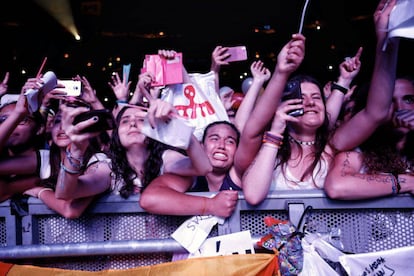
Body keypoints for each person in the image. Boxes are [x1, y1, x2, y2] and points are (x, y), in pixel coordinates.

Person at [239, 0, 400, 205]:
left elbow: (376, 113)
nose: (311, 102)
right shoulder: (267, 148)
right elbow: (253, 195)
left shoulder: (332, 146)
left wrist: (386, 43)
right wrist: (276, 132)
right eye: (302, 98)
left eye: (316, 97)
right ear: (285, 109)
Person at [324, 76, 414, 200]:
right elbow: (336, 186)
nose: (400, 108)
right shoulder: (358, 153)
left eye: (409, 100)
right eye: (389, 102)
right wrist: (406, 182)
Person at [139, 120, 241, 218]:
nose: (221, 146)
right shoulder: (189, 176)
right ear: (201, 146)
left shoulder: (240, 175)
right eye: (214, 139)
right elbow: (149, 199)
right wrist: (210, 205)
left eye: (230, 141)